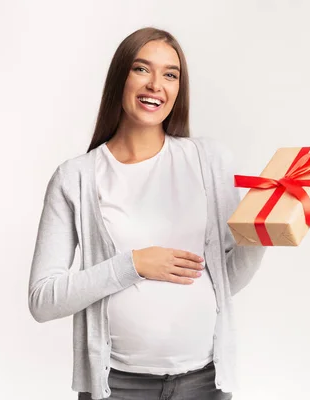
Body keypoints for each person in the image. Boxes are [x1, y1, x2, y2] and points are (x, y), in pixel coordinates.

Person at [28, 27, 267, 400]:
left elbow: (224, 281)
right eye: (142, 69)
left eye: (170, 74)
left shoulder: (208, 160)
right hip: (118, 387)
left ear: (178, 89)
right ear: (120, 78)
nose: (156, 84)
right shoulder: (75, 177)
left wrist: (265, 232)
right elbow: (43, 300)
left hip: (205, 382)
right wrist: (134, 264)